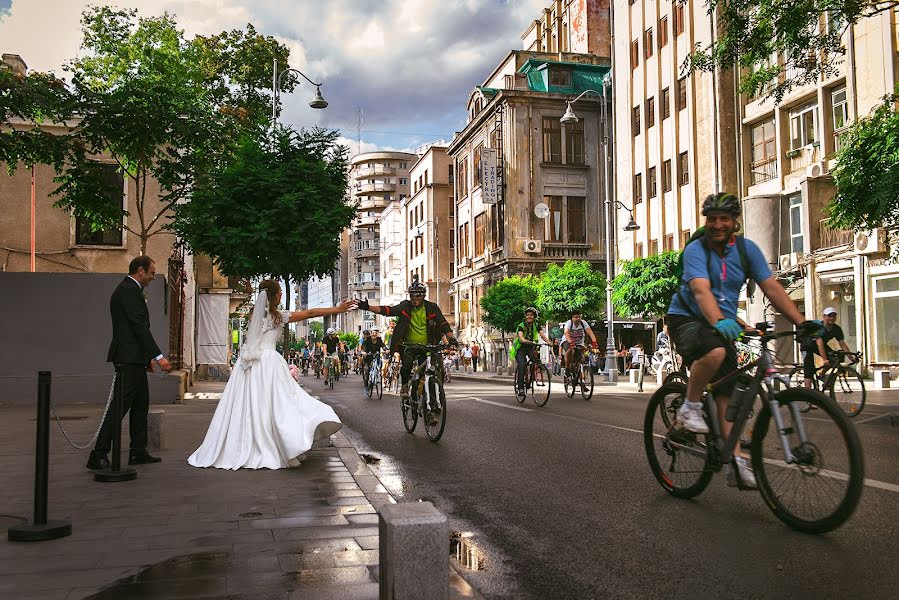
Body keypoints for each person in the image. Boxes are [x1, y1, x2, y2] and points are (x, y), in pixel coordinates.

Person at [667, 193, 815, 489]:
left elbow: (771, 286)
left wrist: (802, 322)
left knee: (727, 394)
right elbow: (701, 290)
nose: (718, 225)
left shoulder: (747, 251)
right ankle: (690, 408)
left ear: (735, 222)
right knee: (715, 350)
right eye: (712, 219)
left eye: (725, 219)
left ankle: (736, 462)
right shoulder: (697, 249)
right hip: (686, 318)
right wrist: (721, 320)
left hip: (722, 322)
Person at [188, 280, 353, 470]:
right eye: (280, 292)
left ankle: (249, 443)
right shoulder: (278, 317)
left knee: (250, 405)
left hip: (249, 364)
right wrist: (337, 310)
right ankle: (278, 443)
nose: (282, 295)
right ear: (275, 296)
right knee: (280, 404)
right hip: (269, 362)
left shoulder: (253, 315)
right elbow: (310, 313)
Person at [86, 256, 173, 471]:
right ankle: (98, 454)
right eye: (152, 273)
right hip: (127, 359)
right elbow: (138, 327)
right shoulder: (128, 291)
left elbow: (134, 329)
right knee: (120, 407)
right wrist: (158, 356)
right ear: (140, 271)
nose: (153, 277)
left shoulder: (130, 290)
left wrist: (145, 359)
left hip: (135, 358)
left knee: (141, 405)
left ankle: (138, 451)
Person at [356, 276, 457, 424]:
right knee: (407, 366)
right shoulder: (405, 306)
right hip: (408, 345)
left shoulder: (432, 308)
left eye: (418, 295)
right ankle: (404, 386)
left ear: (423, 296)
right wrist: (368, 307)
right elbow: (388, 310)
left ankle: (429, 407)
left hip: (427, 346)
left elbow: (443, 323)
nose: (415, 298)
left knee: (425, 375)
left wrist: (451, 338)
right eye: (412, 295)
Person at [801, 307, 854, 388]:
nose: (832, 318)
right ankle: (807, 393)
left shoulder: (836, 329)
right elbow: (820, 343)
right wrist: (825, 359)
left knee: (834, 358)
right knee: (809, 371)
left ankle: (821, 375)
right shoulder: (819, 327)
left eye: (834, 316)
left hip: (819, 345)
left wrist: (850, 357)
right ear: (824, 316)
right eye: (829, 316)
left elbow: (842, 343)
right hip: (807, 345)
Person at [511, 307, 552, 393]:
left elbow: (542, 335)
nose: (529, 316)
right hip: (521, 347)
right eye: (528, 315)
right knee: (522, 365)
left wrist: (549, 342)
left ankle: (532, 377)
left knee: (536, 361)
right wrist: (526, 341)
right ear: (525, 316)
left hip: (531, 346)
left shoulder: (536, 325)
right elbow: (521, 337)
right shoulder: (522, 325)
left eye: (531, 315)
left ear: (534, 317)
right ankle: (521, 387)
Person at [562, 310, 598, 375]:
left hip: (579, 343)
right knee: (570, 350)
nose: (578, 319)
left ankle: (580, 375)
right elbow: (566, 333)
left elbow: (590, 332)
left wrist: (594, 342)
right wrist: (571, 342)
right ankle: (567, 368)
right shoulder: (569, 323)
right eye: (576, 317)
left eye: (579, 317)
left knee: (580, 358)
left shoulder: (583, 323)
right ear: (572, 318)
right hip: (567, 341)